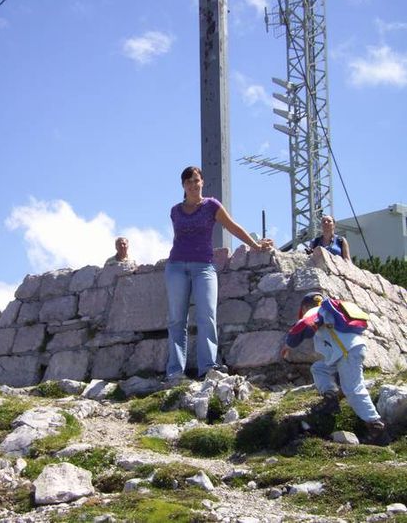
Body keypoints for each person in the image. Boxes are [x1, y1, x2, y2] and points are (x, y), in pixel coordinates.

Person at [165, 165, 274, 383]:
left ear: (202, 182)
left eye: (196, 180)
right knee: (177, 320)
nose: (193, 185)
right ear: (183, 186)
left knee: (207, 316)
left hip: (204, 267)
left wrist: (254, 244)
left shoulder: (211, 205)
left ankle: (207, 367)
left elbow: (232, 227)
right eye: (188, 182)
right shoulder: (175, 210)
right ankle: (175, 372)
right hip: (176, 266)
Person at [282, 292, 389, 446]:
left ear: (305, 306)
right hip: (345, 351)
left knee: (353, 389)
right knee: (319, 369)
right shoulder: (330, 311)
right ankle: (330, 398)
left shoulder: (316, 311)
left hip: (346, 352)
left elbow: (302, 326)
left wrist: (288, 345)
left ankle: (376, 426)